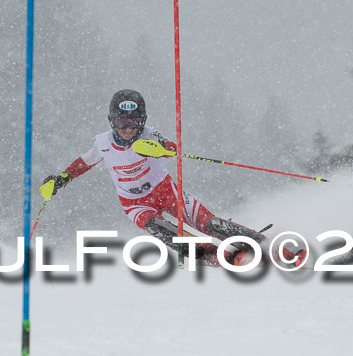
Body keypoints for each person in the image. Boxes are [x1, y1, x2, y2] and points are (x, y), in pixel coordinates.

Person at [41, 89, 300, 267]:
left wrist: (163, 148)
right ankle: (211, 255)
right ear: (112, 122)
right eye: (122, 123)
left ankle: (268, 247)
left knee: (208, 224)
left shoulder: (149, 134)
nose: (128, 129)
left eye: (134, 123)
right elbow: (84, 162)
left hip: (165, 191)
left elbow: (170, 145)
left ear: (142, 122)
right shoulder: (103, 143)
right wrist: (62, 179)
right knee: (158, 228)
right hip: (135, 203)